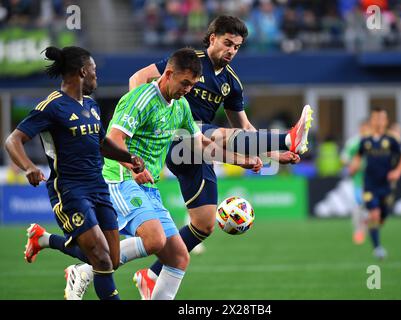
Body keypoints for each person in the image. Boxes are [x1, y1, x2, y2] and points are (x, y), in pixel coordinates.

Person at [127, 15, 312, 299]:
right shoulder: (190, 62)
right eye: (227, 43)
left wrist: (276, 155)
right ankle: (288, 136)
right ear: (212, 37)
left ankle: (149, 274)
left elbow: (245, 129)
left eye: (237, 47)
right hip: (177, 137)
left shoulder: (231, 82)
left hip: (197, 150)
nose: (231, 51)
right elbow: (138, 78)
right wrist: (143, 114)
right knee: (214, 133)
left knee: (203, 225)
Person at [60, 47, 262, 300]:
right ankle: (86, 270)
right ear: (168, 74)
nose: (187, 90)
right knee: (154, 240)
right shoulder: (142, 98)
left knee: (179, 257)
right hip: (119, 178)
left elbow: (200, 144)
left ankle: (84, 268)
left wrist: (239, 161)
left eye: (192, 85)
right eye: (184, 83)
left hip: (147, 186)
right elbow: (112, 140)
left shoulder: (180, 107)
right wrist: (133, 166)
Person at [4, 46, 145, 300]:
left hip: (99, 187)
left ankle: (44, 239)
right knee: (100, 258)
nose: (96, 77)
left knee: (110, 260)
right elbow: (13, 140)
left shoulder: (91, 106)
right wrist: (29, 167)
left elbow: (101, 144)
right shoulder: (52, 106)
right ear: (82, 72)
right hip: (70, 190)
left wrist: (129, 158)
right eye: (94, 71)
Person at [349, 107, 401, 260]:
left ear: (386, 121)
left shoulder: (392, 139)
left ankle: (368, 223)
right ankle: (377, 249)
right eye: (376, 118)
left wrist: (397, 172)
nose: (379, 121)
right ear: (372, 121)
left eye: (382, 118)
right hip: (369, 185)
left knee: (382, 217)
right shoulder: (366, 140)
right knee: (374, 214)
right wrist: (354, 167)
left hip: (386, 185)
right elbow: (357, 156)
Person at [341, 120, 370, 245]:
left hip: (373, 179)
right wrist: (352, 165)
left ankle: (367, 231)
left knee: (371, 206)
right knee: (359, 204)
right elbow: (343, 158)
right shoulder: (354, 143)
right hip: (359, 180)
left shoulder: (374, 142)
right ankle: (359, 231)